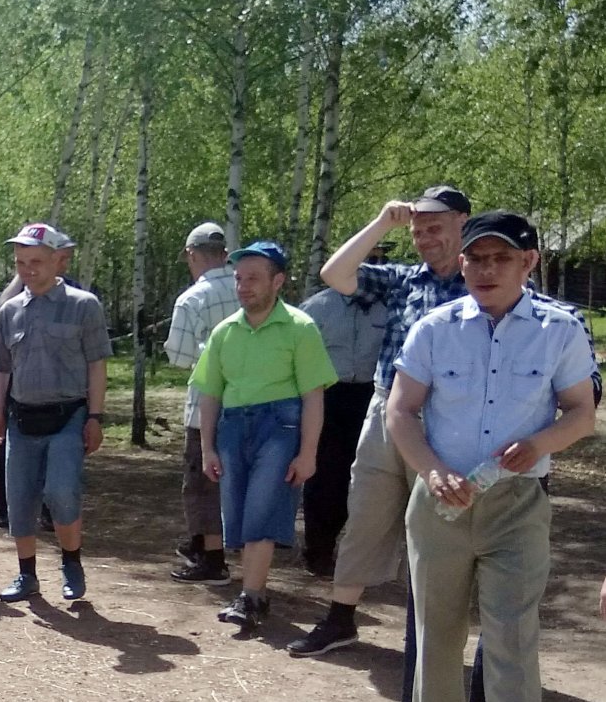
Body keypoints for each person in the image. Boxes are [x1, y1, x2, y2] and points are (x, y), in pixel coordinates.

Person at [387, 211, 595, 702]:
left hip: (518, 503)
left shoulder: (559, 330)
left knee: (511, 635)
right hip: (440, 501)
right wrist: (430, 470)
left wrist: (541, 444)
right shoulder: (435, 327)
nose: (485, 269)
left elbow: (581, 412)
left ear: (529, 263)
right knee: (439, 627)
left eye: (501, 258)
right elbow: (401, 411)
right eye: (477, 258)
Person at [289, 185, 471, 658]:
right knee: (365, 513)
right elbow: (336, 273)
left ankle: (427, 636)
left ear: (462, 225)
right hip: (386, 408)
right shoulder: (403, 279)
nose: (425, 238)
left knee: (433, 525)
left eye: (435, 227)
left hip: (447, 418)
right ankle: (340, 618)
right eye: (418, 231)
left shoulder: (485, 282)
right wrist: (382, 223)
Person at [192, 240, 335, 631]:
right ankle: (251, 593)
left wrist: (308, 453)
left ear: (278, 282)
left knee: (262, 508)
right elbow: (209, 393)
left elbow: (313, 397)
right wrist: (207, 447)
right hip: (233, 427)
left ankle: (251, 596)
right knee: (236, 515)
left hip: (280, 426)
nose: (243, 286)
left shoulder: (300, 328)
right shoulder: (225, 332)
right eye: (239, 278)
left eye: (254, 278)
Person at [0, 222, 111, 603]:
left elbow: (96, 365)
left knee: (61, 491)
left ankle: (71, 563)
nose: (28, 270)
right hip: (22, 418)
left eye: (36, 261)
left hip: (69, 416)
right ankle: (27, 576)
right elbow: (1, 366)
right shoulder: (10, 312)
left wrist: (96, 416)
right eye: (21, 262)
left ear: (60, 260)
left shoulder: (83, 306)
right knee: (19, 498)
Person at [163, 222, 242, 585]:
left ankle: (212, 557)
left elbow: (178, 356)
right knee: (237, 477)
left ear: (192, 255)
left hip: (205, 405)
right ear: (224, 254)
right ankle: (207, 543)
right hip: (251, 399)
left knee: (201, 481)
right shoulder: (249, 287)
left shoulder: (192, 299)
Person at [297, 277, 387, 578]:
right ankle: (317, 550)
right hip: (327, 397)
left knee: (362, 475)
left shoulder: (388, 307)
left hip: (370, 396)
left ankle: (350, 548)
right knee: (324, 474)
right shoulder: (317, 307)